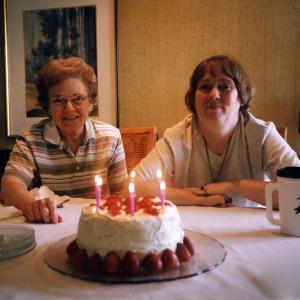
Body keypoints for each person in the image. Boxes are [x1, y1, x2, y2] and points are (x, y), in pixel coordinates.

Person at [131, 55, 300, 208]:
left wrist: (234, 186)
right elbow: (130, 188)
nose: (213, 94)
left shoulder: (262, 134)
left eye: (225, 87)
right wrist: (200, 198)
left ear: (241, 97)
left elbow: (297, 193)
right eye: (205, 87)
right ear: (193, 100)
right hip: (193, 233)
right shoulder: (177, 137)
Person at [1, 57, 128, 223]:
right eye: (59, 100)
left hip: (98, 224)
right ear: (47, 107)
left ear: (90, 102)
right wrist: (30, 205)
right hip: (52, 223)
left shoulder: (111, 137)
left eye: (77, 99)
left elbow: (121, 195)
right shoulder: (30, 140)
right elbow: (9, 185)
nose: (69, 109)